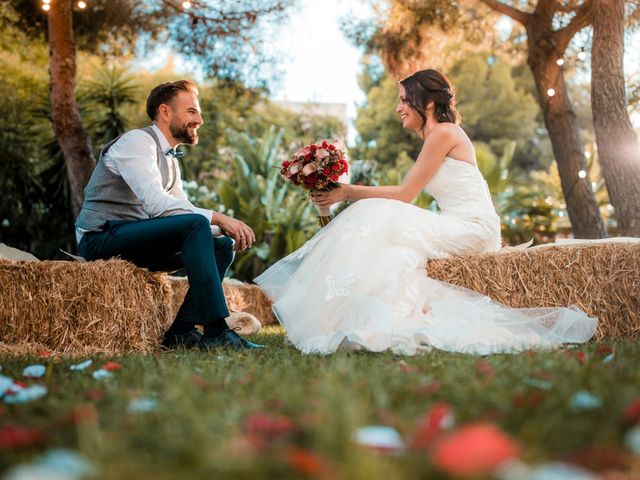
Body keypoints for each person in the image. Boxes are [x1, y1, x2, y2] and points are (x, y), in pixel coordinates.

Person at [255, 69, 597, 355]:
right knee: (398, 256)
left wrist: (346, 193)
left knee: (375, 211)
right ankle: (367, 319)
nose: (399, 107)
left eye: (405, 100)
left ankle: (319, 308)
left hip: (472, 228)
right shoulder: (435, 137)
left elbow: (405, 194)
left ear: (428, 103)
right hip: (457, 224)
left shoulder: (444, 133)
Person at [76, 80, 263, 350]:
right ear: (165, 112)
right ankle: (216, 331)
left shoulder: (170, 158)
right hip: (101, 238)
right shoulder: (136, 142)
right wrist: (220, 218)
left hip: (136, 243)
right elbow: (157, 205)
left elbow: (179, 209)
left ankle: (182, 332)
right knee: (199, 224)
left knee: (221, 245)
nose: (199, 119)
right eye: (191, 112)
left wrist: (222, 231)